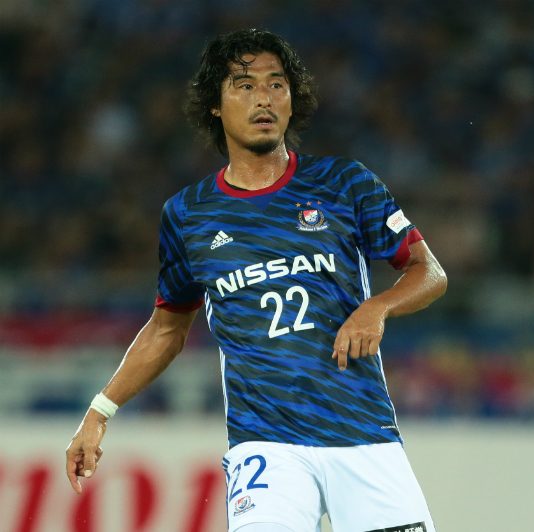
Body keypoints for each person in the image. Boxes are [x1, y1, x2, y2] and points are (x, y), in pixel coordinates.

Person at [65, 28, 447, 532]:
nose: (263, 98)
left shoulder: (344, 184)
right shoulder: (189, 215)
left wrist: (378, 306)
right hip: (265, 447)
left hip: (362, 432)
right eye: (244, 86)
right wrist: (99, 411)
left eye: (276, 84)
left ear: (292, 99)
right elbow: (166, 330)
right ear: (215, 105)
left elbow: (429, 272)